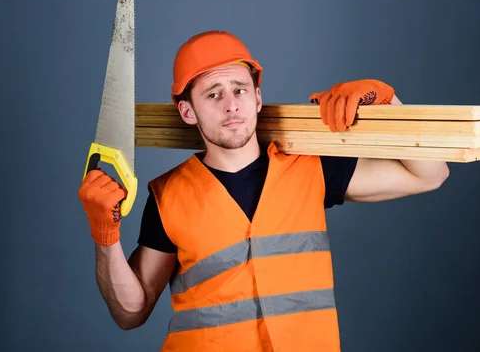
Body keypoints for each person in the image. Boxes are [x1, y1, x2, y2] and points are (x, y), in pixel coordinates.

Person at [78, 30, 450, 351]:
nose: (231, 104)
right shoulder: (168, 197)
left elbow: (430, 175)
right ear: (187, 112)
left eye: (240, 89)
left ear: (257, 98)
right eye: (212, 94)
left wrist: (389, 104)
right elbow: (131, 312)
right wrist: (105, 237)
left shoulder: (312, 169)